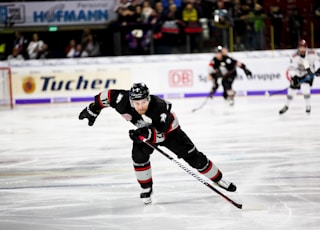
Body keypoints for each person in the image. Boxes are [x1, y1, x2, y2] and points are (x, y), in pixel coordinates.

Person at [79, 82, 237, 204]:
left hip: (170, 132)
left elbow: (161, 135)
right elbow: (104, 96)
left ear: (148, 98)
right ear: (131, 100)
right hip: (146, 131)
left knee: (195, 158)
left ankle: (218, 179)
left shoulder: (159, 108)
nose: (140, 106)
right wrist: (93, 109)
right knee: (138, 156)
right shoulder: (121, 100)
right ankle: (146, 188)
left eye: (143, 102)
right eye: (137, 103)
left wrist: (143, 134)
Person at [279, 39, 320, 115]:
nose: (302, 49)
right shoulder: (294, 56)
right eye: (300, 47)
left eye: (303, 47)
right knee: (291, 91)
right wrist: (294, 77)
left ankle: (308, 106)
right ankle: (286, 106)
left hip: (308, 73)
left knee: (305, 87)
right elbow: (291, 67)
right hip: (298, 74)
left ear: (306, 47)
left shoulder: (312, 53)